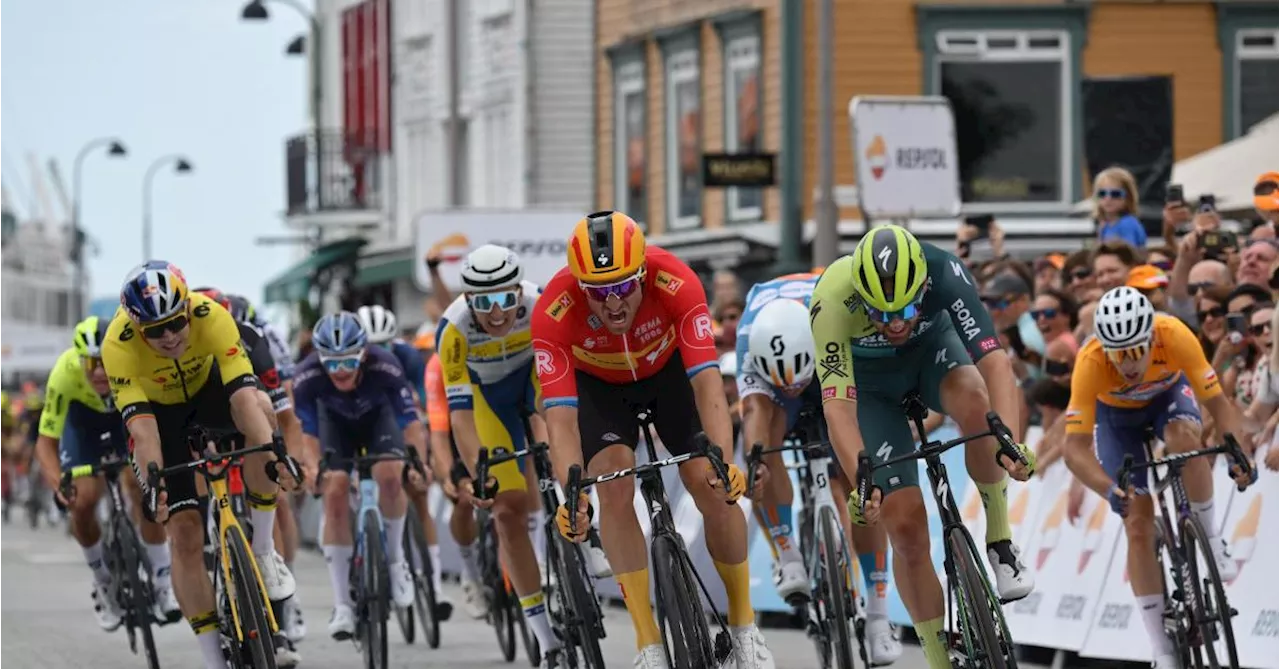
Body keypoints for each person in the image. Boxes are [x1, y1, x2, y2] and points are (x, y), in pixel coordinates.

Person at [535, 210, 775, 669]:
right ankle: (648, 642)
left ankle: (744, 628)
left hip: (668, 377)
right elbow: (561, 418)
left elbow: (707, 383)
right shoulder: (554, 311)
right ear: (580, 287)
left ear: (643, 272)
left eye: (624, 286)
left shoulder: (677, 282)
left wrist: (723, 460)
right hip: (600, 390)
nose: (614, 303)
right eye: (599, 293)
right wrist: (572, 495)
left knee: (710, 481)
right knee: (612, 484)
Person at [809, 224, 1036, 669]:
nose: (894, 323)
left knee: (975, 402)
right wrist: (863, 482)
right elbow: (837, 408)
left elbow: (993, 361)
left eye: (907, 308)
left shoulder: (944, 270)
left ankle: (1000, 541)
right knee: (907, 530)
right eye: (879, 314)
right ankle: (936, 657)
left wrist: (1008, 438)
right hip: (871, 391)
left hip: (933, 355)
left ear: (922, 286)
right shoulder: (832, 297)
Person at [103, 261, 301, 669]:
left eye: (176, 323)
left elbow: (244, 398)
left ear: (188, 309)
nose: (170, 336)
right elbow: (143, 432)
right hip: (161, 418)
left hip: (210, 393)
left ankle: (263, 550)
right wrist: (154, 487)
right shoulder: (117, 346)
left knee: (260, 410)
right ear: (138, 328)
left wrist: (276, 453)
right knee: (185, 532)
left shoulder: (212, 315)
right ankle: (213, 658)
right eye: (156, 331)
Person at [1062, 287, 1256, 669]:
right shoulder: (1090, 360)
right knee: (1137, 519)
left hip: (1168, 398)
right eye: (1119, 355)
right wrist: (1108, 489)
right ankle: (1161, 647)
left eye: (1136, 351)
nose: (1130, 364)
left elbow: (1219, 403)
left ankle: (1211, 538)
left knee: (1187, 441)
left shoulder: (1175, 334)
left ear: (1151, 337)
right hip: (1117, 419)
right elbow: (1074, 449)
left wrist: (1238, 452)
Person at [736, 287, 902, 664]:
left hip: (828, 370)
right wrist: (757, 464)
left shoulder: (834, 318)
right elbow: (754, 416)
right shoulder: (750, 344)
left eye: (796, 379)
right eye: (786, 381)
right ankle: (787, 551)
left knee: (858, 478)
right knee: (762, 449)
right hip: (774, 395)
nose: (793, 383)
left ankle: (878, 615)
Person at [438, 244, 564, 662]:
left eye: (506, 299)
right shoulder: (453, 329)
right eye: (484, 302)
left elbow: (561, 374)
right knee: (507, 511)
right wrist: (481, 474)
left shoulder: (540, 302)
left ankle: (583, 520)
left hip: (533, 377)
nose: (497, 313)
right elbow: (459, 418)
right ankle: (546, 642)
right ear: (468, 301)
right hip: (487, 399)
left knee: (557, 432)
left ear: (519, 292)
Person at [34, 317, 180, 629]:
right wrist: (59, 482)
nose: (99, 371)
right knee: (83, 500)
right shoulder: (65, 373)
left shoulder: (132, 360)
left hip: (123, 415)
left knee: (144, 491)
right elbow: (45, 443)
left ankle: (163, 582)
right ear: (79, 359)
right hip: (83, 424)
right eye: (91, 363)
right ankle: (102, 579)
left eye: (104, 362)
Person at [292, 311, 429, 641]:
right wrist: (312, 469)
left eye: (349, 362)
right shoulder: (307, 375)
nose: (340, 371)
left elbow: (409, 422)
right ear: (319, 357)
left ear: (364, 353)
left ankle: (396, 563)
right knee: (335, 491)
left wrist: (418, 463)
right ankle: (342, 605)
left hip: (378, 422)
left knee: (392, 475)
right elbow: (306, 434)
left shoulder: (385, 365)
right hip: (334, 426)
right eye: (332, 363)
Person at [193, 287, 308, 650]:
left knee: (277, 491)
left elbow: (285, 418)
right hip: (201, 423)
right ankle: (210, 539)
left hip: (246, 416)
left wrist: (292, 462)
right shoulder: (180, 353)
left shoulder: (254, 344)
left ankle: (281, 587)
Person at [354, 303, 454, 621]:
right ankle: (364, 554)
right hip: (361, 422)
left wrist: (420, 452)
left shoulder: (407, 356)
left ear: (394, 341)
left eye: (383, 344)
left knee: (419, 492)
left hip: (399, 420)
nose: (376, 351)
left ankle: (435, 587)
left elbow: (424, 400)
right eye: (370, 345)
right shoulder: (349, 363)